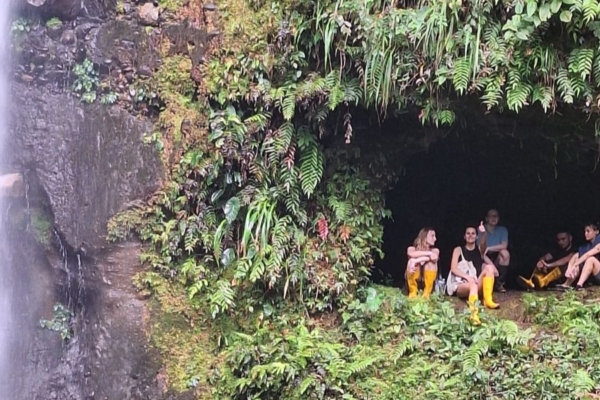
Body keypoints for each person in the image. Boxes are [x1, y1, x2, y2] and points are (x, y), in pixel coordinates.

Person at [447, 225, 500, 325]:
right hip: (462, 284)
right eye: (468, 233)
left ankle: (487, 300)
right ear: (464, 236)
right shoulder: (458, 249)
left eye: (473, 233)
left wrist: (483, 233)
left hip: (476, 282)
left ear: (476, 236)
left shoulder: (479, 249)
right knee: (473, 285)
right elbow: (453, 268)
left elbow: (483, 244)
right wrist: (467, 277)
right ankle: (474, 314)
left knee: (489, 268)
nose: (470, 235)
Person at [558, 223, 600, 291]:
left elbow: (588, 254)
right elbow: (575, 256)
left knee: (590, 259)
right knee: (578, 259)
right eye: (585, 231)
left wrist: (575, 265)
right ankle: (566, 284)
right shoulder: (587, 246)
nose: (585, 233)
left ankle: (579, 285)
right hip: (596, 274)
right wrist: (569, 269)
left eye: (588, 231)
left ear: (596, 232)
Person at [478, 209, 510, 292]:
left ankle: (499, 284)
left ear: (498, 218)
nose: (493, 218)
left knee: (505, 253)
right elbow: (481, 251)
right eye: (491, 216)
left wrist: (489, 248)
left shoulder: (502, 230)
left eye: (495, 216)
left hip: (496, 256)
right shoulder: (481, 229)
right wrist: (492, 267)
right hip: (482, 257)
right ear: (486, 218)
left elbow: (504, 245)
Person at [405, 227, 439, 298]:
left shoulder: (435, 250)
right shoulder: (411, 249)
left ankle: (426, 294)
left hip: (427, 285)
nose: (435, 239)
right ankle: (413, 292)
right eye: (432, 236)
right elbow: (411, 254)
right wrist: (429, 254)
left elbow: (434, 258)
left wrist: (416, 260)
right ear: (424, 237)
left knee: (431, 263)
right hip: (414, 280)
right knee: (410, 262)